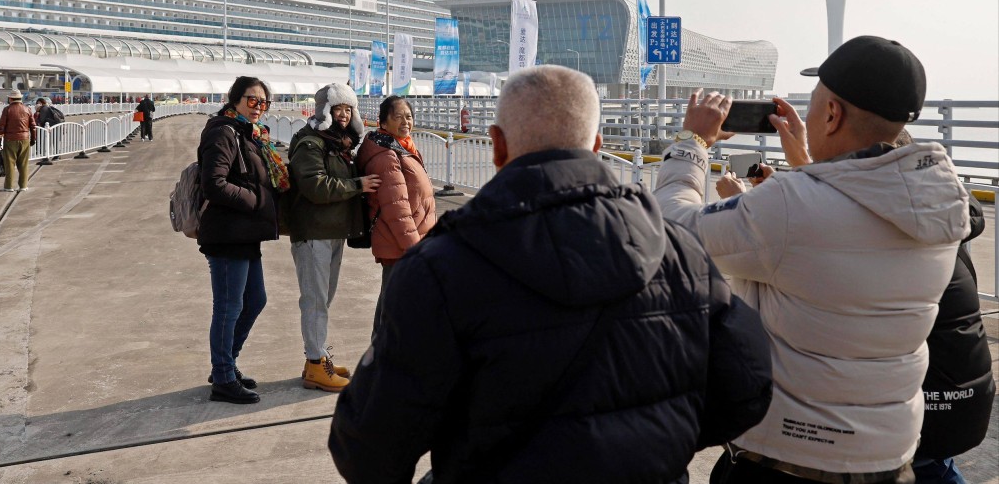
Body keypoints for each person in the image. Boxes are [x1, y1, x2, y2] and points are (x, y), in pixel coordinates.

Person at [330, 66, 773, 484]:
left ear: (497, 146)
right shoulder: (680, 252)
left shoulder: (440, 268)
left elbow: (369, 448)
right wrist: (657, 440)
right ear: (597, 144)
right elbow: (747, 387)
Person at [653, 36, 970, 483]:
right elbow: (843, 221)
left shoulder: (792, 206)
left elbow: (672, 228)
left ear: (832, 113)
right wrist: (807, 163)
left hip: (790, 457)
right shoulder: (939, 199)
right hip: (887, 457)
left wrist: (691, 143)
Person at [892, 133, 994, 484]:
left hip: (921, 406)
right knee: (935, 467)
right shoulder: (945, 216)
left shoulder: (888, 228)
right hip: (963, 396)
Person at [286, 84, 381, 392]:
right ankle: (316, 365)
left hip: (332, 231)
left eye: (348, 109)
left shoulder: (339, 143)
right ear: (324, 110)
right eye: (337, 108)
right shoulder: (311, 143)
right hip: (314, 233)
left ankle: (318, 355)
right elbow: (316, 186)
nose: (343, 114)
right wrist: (358, 184)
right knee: (315, 300)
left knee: (323, 299)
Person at [198, 77, 288, 404]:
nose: (259, 107)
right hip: (227, 234)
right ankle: (222, 377)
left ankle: (226, 363)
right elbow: (214, 183)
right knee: (228, 307)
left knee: (255, 300)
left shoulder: (250, 135)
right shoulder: (223, 132)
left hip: (245, 234)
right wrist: (256, 200)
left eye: (264, 103)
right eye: (252, 100)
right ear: (234, 100)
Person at [354, 95, 436, 340]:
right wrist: (415, 250)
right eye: (397, 116)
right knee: (395, 307)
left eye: (408, 116)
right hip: (401, 244)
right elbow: (397, 209)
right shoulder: (387, 155)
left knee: (394, 304)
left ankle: (384, 360)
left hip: (407, 242)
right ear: (383, 122)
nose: (405, 121)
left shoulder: (400, 146)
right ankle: (382, 363)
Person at [0, 89, 36, 192]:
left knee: (9, 164)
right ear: (20, 98)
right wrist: (33, 139)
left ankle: (9, 186)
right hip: (25, 139)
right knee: (23, 164)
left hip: (10, 140)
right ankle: (23, 186)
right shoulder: (27, 109)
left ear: (10, 98)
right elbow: (33, 126)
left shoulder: (7, 109)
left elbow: (1, 127)